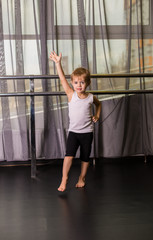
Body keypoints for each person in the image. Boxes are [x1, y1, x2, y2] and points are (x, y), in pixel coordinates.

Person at [49, 51, 101, 192]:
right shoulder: (71, 94)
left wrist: (97, 115)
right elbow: (61, 80)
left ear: (88, 83)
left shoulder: (91, 97)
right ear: (72, 83)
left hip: (87, 133)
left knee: (85, 157)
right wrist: (58, 63)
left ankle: (81, 178)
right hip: (74, 132)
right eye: (76, 82)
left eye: (82, 82)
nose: (79, 85)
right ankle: (64, 178)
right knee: (68, 156)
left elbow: (99, 104)